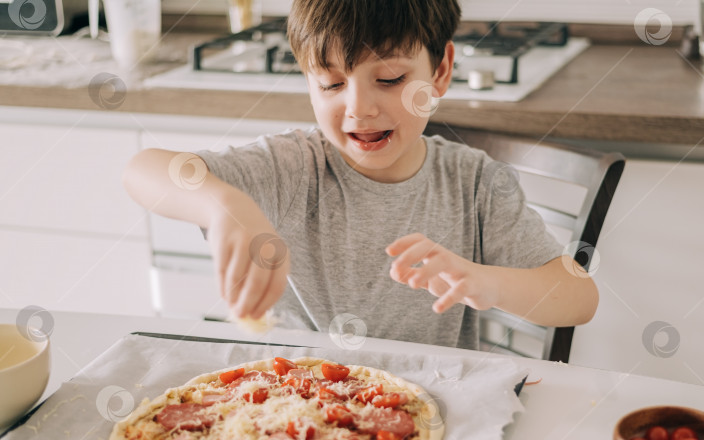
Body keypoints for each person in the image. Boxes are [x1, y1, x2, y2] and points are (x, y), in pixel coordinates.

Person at [122, 0, 598, 350]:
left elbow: (579, 296)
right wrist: (223, 206)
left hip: (432, 413)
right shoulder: (291, 167)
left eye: (389, 79)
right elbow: (141, 171)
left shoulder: (475, 184)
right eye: (331, 83)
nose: (359, 108)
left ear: (441, 71)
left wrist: (487, 282)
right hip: (295, 408)